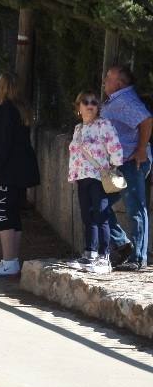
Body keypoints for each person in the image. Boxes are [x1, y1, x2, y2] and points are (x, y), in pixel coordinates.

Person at [0, 72, 40, 278]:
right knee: (13, 213)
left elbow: (2, 145)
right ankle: (11, 260)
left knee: (3, 213)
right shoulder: (18, 109)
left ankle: (9, 261)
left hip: (6, 172)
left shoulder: (6, 111)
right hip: (19, 172)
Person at [66, 92, 124, 274]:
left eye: (94, 102)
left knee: (101, 215)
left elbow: (115, 148)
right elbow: (74, 155)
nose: (90, 105)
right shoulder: (78, 128)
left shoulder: (103, 125)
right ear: (79, 107)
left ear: (98, 107)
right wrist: (73, 176)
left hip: (98, 178)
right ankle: (90, 253)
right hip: (82, 177)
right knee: (87, 216)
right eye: (85, 102)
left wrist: (114, 166)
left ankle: (104, 257)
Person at [101, 64, 151, 271]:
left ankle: (138, 257)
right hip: (118, 163)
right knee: (98, 205)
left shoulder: (125, 100)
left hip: (131, 162)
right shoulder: (117, 100)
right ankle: (123, 244)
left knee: (135, 208)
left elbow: (146, 120)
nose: (104, 81)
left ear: (119, 83)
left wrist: (141, 149)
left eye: (108, 78)